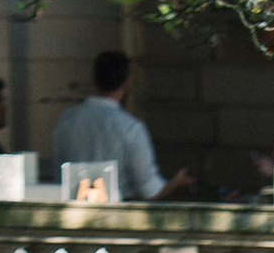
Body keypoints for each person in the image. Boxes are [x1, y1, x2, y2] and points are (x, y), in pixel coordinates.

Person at [51, 48, 189, 199]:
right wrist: (175, 182)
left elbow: (58, 174)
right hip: (116, 214)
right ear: (126, 83)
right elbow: (150, 189)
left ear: (94, 81)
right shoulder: (131, 128)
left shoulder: (66, 120)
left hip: (72, 213)